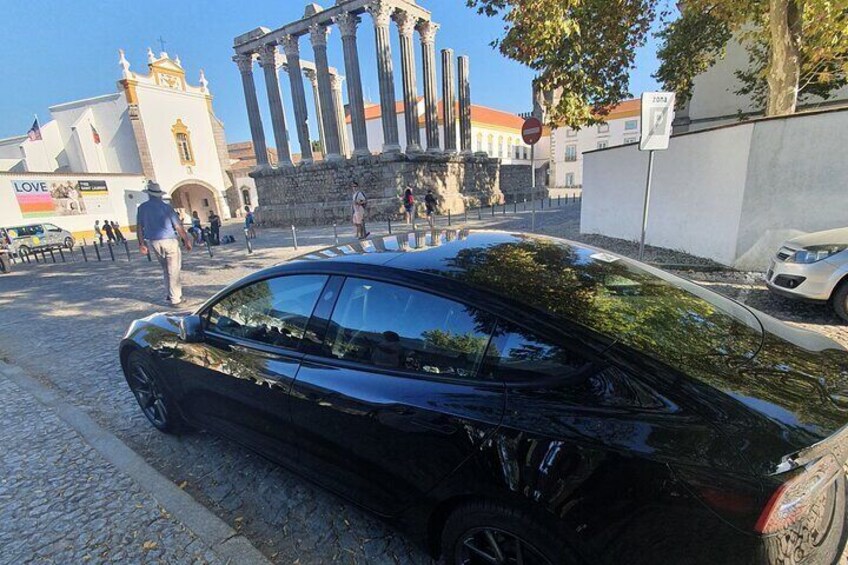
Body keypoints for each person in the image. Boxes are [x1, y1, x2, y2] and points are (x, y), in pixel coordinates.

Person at [136, 181, 193, 306]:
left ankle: (169, 294)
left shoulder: (142, 208)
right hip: (169, 240)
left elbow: (139, 227)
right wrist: (186, 240)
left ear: (149, 194)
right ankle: (175, 298)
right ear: (160, 195)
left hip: (154, 241)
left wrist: (141, 244)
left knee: (165, 269)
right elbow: (178, 226)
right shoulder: (166, 207)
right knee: (174, 270)